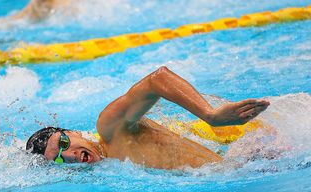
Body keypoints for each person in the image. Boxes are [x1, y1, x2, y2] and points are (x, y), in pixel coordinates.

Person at [26, 66, 270, 169]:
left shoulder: (111, 129)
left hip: (256, 163)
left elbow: (158, 79)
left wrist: (211, 116)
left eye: (64, 144)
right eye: (59, 160)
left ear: (74, 133)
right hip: (234, 172)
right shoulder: (108, 171)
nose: (69, 156)